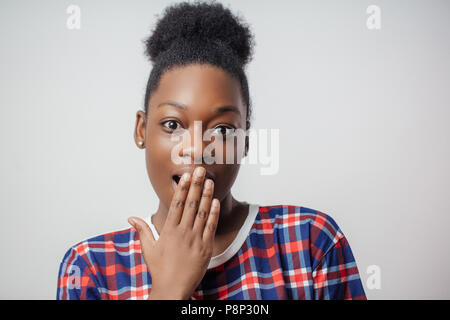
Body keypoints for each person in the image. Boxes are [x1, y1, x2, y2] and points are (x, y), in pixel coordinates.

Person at [56, 0, 366, 300]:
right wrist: (168, 290)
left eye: (222, 130)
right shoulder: (90, 269)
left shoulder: (310, 242)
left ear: (244, 141)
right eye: (173, 125)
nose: (195, 149)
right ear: (141, 130)